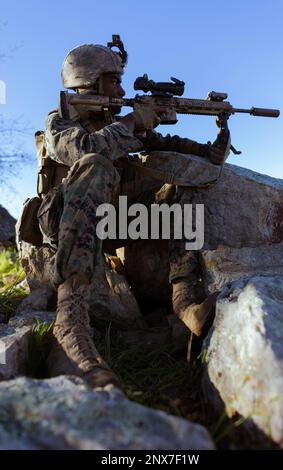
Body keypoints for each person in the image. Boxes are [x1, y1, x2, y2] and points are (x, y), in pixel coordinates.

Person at [37, 36, 230, 390]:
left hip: (116, 224)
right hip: (70, 226)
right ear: (87, 80)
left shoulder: (118, 122)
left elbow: (173, 147)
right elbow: (85, 150)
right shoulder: (60, 121)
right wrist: (131, 123)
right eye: (114, 79)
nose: (122, 87)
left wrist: (215, 145)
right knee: (95, 164)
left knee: (184, 183)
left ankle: (184, 299)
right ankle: (69, 323)